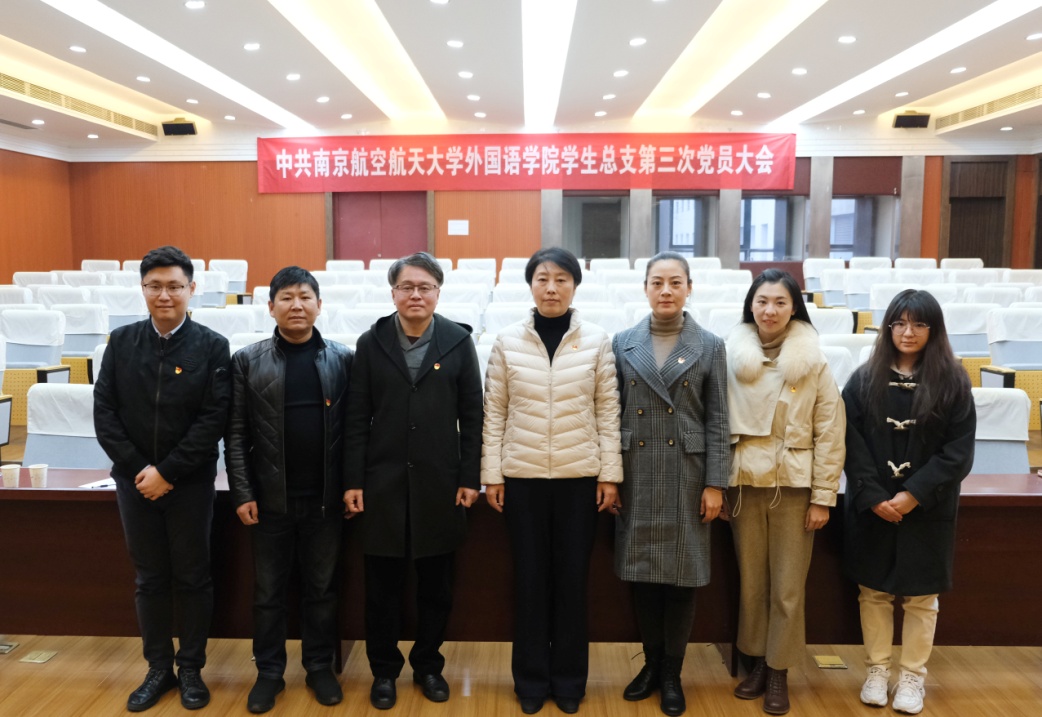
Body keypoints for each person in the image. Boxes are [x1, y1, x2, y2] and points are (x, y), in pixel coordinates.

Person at [481, 247, 622, 715]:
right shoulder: (507, 341)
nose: (552, 287)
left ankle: (569, 682)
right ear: (531, 285)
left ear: (574, 285)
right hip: (522, 480)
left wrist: (610, 475)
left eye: (562, 279)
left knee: (572, 583)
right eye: (542, 278)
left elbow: (608, 413)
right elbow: (494, 413)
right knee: (529, 581)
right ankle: (530, 681)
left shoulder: (597, 341)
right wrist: (492, 474)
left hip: (579, 480)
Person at [343, 252, 483, 710]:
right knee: (381, 588)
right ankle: (383, 671)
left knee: (435, 587)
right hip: (380, 484)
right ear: (393, 293)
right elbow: (355, 417)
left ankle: (428, 666)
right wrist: (353, 481)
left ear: (438, 293)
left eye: (425, 287)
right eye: (407, 287)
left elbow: (473, 416)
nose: (416, 295)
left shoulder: (458, 341)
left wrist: (470, 476)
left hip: (440, 483)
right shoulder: (371, 342)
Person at [94, 245, 231, 712]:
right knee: (149, 578)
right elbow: (105, 413)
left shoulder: (212, 345)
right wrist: (141, 471)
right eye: (155, 286)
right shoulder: (121, 341)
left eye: (174, 286)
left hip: (189, 483)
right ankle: (158, 668)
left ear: (192, 289)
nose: (165, 295)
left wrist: (168, 471)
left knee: (193, 576)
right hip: (134, 484)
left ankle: (190, 668)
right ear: (143, 289)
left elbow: (213, 418)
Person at [226, 266, 354, 713]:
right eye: (286, 297)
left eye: (304, 297)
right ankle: (269, 673)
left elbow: (357, 431)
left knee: (322, 589)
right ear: (271, 307)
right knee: (268, 593)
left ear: (319, 305)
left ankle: (319, 667)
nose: (296, 305)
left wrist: (352, 487)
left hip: (326, 500)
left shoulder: (343, 359)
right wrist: (242, 492)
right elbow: (235, 434)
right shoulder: (247, 360)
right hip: (269, 501)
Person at [842, 290, 975, 715]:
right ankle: (877, 670)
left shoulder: (953, 381)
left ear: (933, 330)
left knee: (922, 598)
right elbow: (849, 441)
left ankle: (913, 676)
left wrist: (913, 493)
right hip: (873, 505)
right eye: (899, 323)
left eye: (918, 324)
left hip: (929, 507)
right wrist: (874, 495)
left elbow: (958, 452)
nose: (907, 332)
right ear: (888, 328)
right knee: (873, 592)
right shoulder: (864, 379)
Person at [612, 252, 730, 717]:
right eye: (657, 282)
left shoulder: (710, 345)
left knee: (682, 578)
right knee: (642, 575)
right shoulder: (623, 343)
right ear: (645, 288)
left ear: (689, 288)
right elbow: (611, 415)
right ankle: (651, 664)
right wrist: (611, 476)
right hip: (637, 471)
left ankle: (672, 673)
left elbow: (718, 419)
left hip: (687, 473)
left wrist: (715, 483)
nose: (666, 290)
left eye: (675, 282)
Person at [725, 268, 844, 716]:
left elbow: (830, 431)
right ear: (750, 306)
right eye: (762, 301)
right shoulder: (730, 358)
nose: (770, 310)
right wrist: (716, 485)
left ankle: (779, 669)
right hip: (743, 486)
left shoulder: (814, 362)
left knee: (788, 586)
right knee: (752, 583)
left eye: (779, 302)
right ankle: (756, 661)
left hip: (793, 487)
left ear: (794, 308)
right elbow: (715, 425)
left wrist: (823, 496)